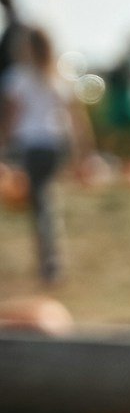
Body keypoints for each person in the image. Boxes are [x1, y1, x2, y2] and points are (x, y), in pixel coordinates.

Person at [2, 27, 78, 285]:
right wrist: (81, 149)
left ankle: (50, 264)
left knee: (40, 204)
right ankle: (50, 261)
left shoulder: (19, 77)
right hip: (54, 145)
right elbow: (74, 116)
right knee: (45, 200)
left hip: (32, 146)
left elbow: (13, 115)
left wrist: (4, 144)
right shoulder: (58, 76)